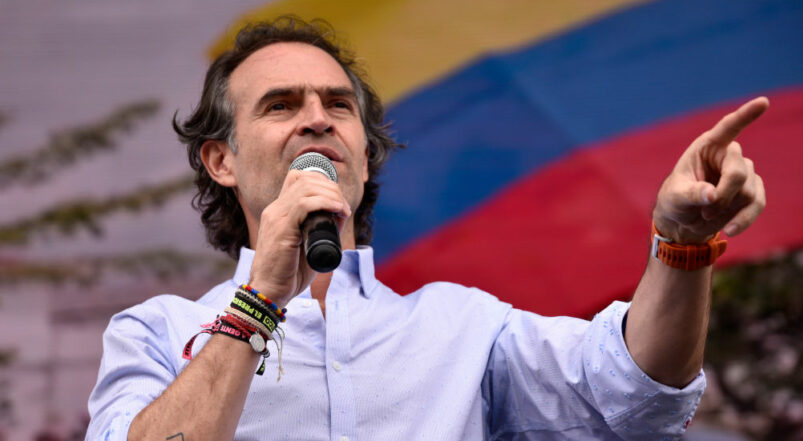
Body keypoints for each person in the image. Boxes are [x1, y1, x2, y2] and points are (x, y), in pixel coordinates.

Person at [85, 16, 768, 441]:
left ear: (363, 148)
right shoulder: (154, 332)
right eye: (281, 104)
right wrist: (258, 302)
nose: (318, 118)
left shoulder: (463, 328)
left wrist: (682, 246)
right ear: (222, 160)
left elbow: (637, 395)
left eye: (338, 105)